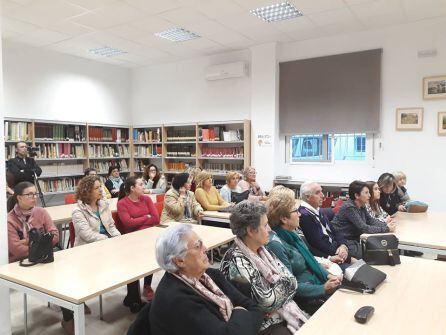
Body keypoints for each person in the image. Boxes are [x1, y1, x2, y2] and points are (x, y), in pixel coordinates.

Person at [150, 224, 263, 335]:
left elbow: (254, 308)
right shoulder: (177, 300)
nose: (206, 249)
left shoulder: (211, 275)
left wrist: (239, 322)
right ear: (179, 261)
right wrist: (239, 311)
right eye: (197, 246)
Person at [220, 201, 308, 334]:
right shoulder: (236, 261)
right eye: (265, 225)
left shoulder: (263, 250)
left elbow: (293, 282)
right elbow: (267, 302)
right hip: (261, 325)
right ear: (250, 231)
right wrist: (277, 296)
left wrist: (274, 298)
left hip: (280, 313)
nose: (270, 230)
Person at [266, 187, 342, 315]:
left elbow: (311, 261)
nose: (300, 214)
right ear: (284, 218)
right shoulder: (276, 245)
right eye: (296, 211)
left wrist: (329, 276)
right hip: (306, 298)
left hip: (316, 284)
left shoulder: (292, 234)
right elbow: (289, 286)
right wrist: (322, 288)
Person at [61, 175, 121, 334]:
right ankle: (78, 301)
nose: (101, 190)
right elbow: (87, 235)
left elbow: (111, 226)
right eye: (96, 188)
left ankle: (133, 298)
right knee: (85, 276)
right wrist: (108, 240)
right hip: (86, 249)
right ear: (87, 191)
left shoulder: (104, 205)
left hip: (105, 245)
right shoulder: (78, 210)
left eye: (100, 187)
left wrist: (119, 239)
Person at [117, 176, 160, 304]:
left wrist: (139, 221)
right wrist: (146, 217)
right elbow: (128, 224)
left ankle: (147, 286)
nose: (144, 187)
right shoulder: (122, 203)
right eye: (141, 185)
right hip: (132, 239)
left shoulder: (146, 199)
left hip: (149, 235)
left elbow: (156, 219)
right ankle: (133, 295)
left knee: (152, 257)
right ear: (132, 188)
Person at [298, 182, 356, 264]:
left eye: (322, 191)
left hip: (338, 248)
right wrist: (341, 254)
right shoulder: (304, 215)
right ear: (308, 197)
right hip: (329, 255)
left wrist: (343, 245)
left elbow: (333, 230)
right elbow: (317, 243)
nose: (323, 195)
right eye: (317, 193)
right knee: (363, 256)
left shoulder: (318, 210)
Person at [332, 181, 395, 250]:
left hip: (354, 239)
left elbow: (370, 220)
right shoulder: (350, 207)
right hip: (342, 241)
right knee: (374, 251)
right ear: (357, 195)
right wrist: (386, 229)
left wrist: (385, 225)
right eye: (366, 193)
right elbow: (364, 228)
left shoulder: (361, 205)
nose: (370, 195)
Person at [7, 181, 59, 263]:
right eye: (30, 194)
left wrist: (26, 241)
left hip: (43, 258)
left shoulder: (41, 212)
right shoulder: (9, 220)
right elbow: (16, 249)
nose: (34, 197)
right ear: (19, 198)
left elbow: (55, 236)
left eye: (35, 194)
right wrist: (42, 242)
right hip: (18, 262)